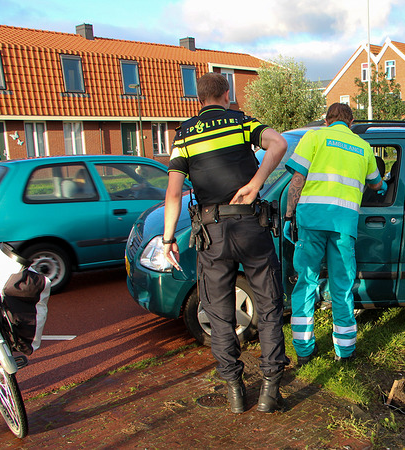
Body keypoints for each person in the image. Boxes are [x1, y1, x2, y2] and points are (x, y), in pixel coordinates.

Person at [162, 73, 289, 414]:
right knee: (269, 304)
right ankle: (269, 390)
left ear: (198, 99)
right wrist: (255, 183)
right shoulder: (242, 122)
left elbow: (173, 192)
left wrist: (168, 238)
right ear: (226, 95)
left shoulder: (184, 135)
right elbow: (278, 144)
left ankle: (234, 391)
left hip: (211, 232)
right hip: (250, 224)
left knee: (218, 313)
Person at [283, 103, 384, 364]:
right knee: (342, 287)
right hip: (343, 226)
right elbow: (375, 182)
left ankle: (304, 351)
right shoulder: (362, 146)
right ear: (351, 122)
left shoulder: (314, 136)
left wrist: (288, 215)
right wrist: (383, 186)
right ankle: (345, 351)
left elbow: (297, 180)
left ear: (327, 120)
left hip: (311, 222)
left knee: (306, 283)